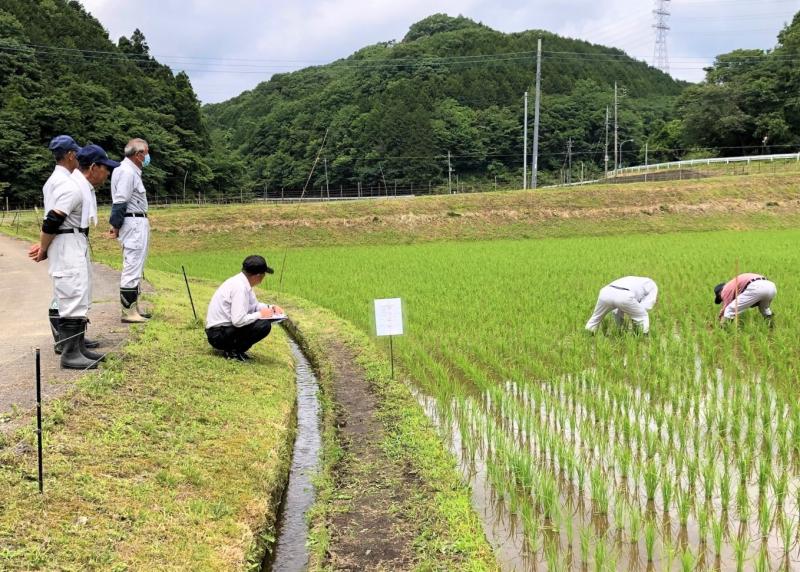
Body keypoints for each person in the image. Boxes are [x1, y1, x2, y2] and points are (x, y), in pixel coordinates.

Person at [30, 145, 119, 369]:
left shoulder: (79, 186)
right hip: (67, 243)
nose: (107, 173)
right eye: (105, 168)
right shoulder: (72, 188)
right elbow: (52, 219)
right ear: (92, 167)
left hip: (75, 241)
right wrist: (42, 248)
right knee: (71, 293)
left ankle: (78, 348)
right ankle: (70, 354)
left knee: (79, 292)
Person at [205, 255, 286, 361]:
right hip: (218, 335)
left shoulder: (243, 283)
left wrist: (271, 308)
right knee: (263, 325)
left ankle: (235, 350)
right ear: (257, 276)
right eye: (263, 274)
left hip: (224, 330)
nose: (263, 277)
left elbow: (255, 305)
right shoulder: (240, 288)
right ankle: (233, 352)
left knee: (262, 320)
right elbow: (238, 321)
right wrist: (262, 314)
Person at [109, 138, 151, 323]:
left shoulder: (130, 170)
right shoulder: (127, 172)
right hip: (133, 223)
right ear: (138, 154)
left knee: (136, 265)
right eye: (146, 153)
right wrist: (115, 225)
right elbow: (120, 201)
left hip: (136, 221)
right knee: (132, 265)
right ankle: (129, 312)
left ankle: (134, 308)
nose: (148, 156)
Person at [585, 276, 658, 334]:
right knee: (642, 315)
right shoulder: (652, 285)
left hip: (605, 292)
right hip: (624, 294)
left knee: (596, 318)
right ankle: (643, 337)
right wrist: (634, 318)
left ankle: (588, 335)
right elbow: (647, 304)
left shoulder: (633, 280)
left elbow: (617, 310)